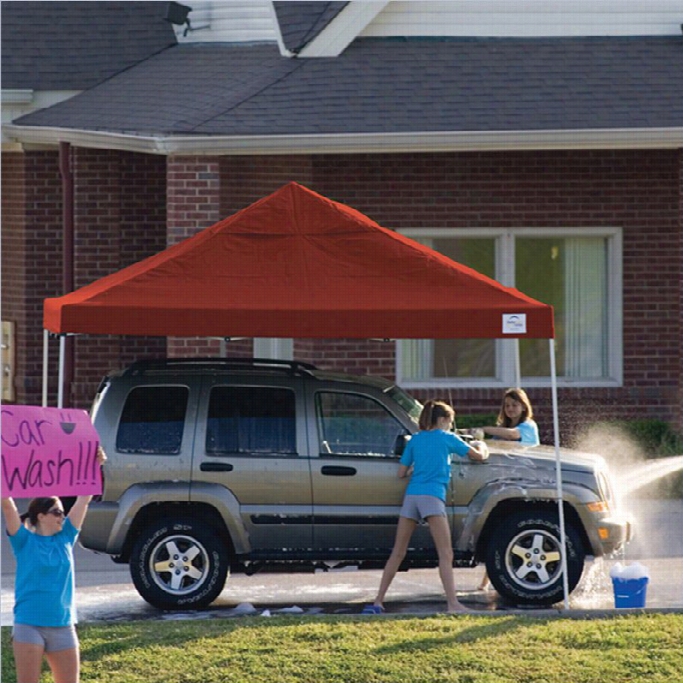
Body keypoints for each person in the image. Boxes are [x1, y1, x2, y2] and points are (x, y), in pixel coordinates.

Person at [363, 400, 488, 614]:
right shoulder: (447, 438)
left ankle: (378, 601)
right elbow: (477, 456)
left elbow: (401, 473)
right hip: (432, 497)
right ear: (442, 420)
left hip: (412, 497)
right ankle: (453, 604)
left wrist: (415, 469)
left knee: (398, 552)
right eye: (450, 421)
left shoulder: (415, 440)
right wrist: (482, 445)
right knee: (445, 553)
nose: (451, 426)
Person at [1, 447, 106, 683]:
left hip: (63, 625)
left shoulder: (66, 537)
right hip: (29, 624)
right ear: (40, 516)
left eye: (62, 511)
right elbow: (7, 505)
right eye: (57, 511)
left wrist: (95, 465)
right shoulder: (23, 540)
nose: (62, 515)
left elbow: (84, 499)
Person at [471, 388, 539, 590]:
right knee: (502, 533)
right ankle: (485, 582)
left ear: (524, 406)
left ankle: (503, 580)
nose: (510, 409)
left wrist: (484, 429)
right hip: (508, 485)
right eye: (507, 405)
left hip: (528, 484)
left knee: (512, 534)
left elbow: (512, 435)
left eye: (514, 405)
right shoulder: (504, 428)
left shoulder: (527, 426)